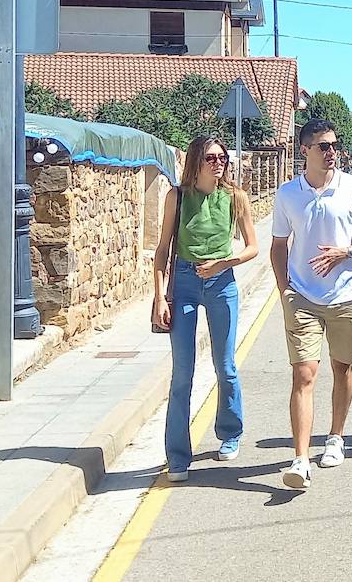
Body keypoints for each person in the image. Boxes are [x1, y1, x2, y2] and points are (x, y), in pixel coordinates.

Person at [271, 119, 352, 490]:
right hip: (302, 297)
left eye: (334, 145)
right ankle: (300, 459)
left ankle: (336, 436)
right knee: (303, 374)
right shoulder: (288, 194)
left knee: (343, 368)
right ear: (304, 150)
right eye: (323, 146)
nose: (331, 151)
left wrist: (347, 252)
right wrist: (284, 290)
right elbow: (278, 246)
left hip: (348, 295)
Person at [152, 136, 259, 482]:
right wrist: (158, 298)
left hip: (221, 282)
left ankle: (230, 433)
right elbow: (163, 250)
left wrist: (223, 262)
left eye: (222, 158)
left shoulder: (235, 198)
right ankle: (178, 456)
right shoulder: (177, 197)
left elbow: (253, 247)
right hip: (183, 281)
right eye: (211, 158)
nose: (219, 163)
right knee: (182, 373)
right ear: (196, 160)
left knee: (225, 366)